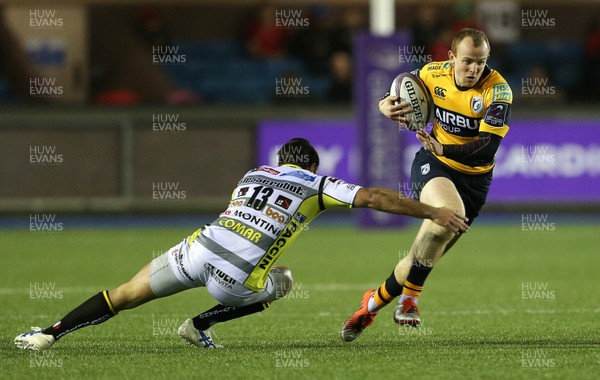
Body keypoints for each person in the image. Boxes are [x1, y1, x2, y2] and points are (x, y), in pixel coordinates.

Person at [15, 138, 468, 351]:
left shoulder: (252, 173)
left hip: (196, 250)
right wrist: (432, 212)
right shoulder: (316, 184)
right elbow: (372, 197)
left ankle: (47, 334)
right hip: (233, 281)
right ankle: (200, 324)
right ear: (310, 165)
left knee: (125, 295)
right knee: (283, 280)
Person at [340, 28, 512, 342]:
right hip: (433, 164)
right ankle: (410, 301)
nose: (474, 69)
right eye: (468, 61)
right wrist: (384, 106)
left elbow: (487, 146)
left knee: (422, 256)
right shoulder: (433, 74)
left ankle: (371, 304)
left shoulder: (498, 91)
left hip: (475, 180)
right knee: (448, 214)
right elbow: (396, 92)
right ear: (451, 58)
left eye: (481, 62)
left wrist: (445, 147)